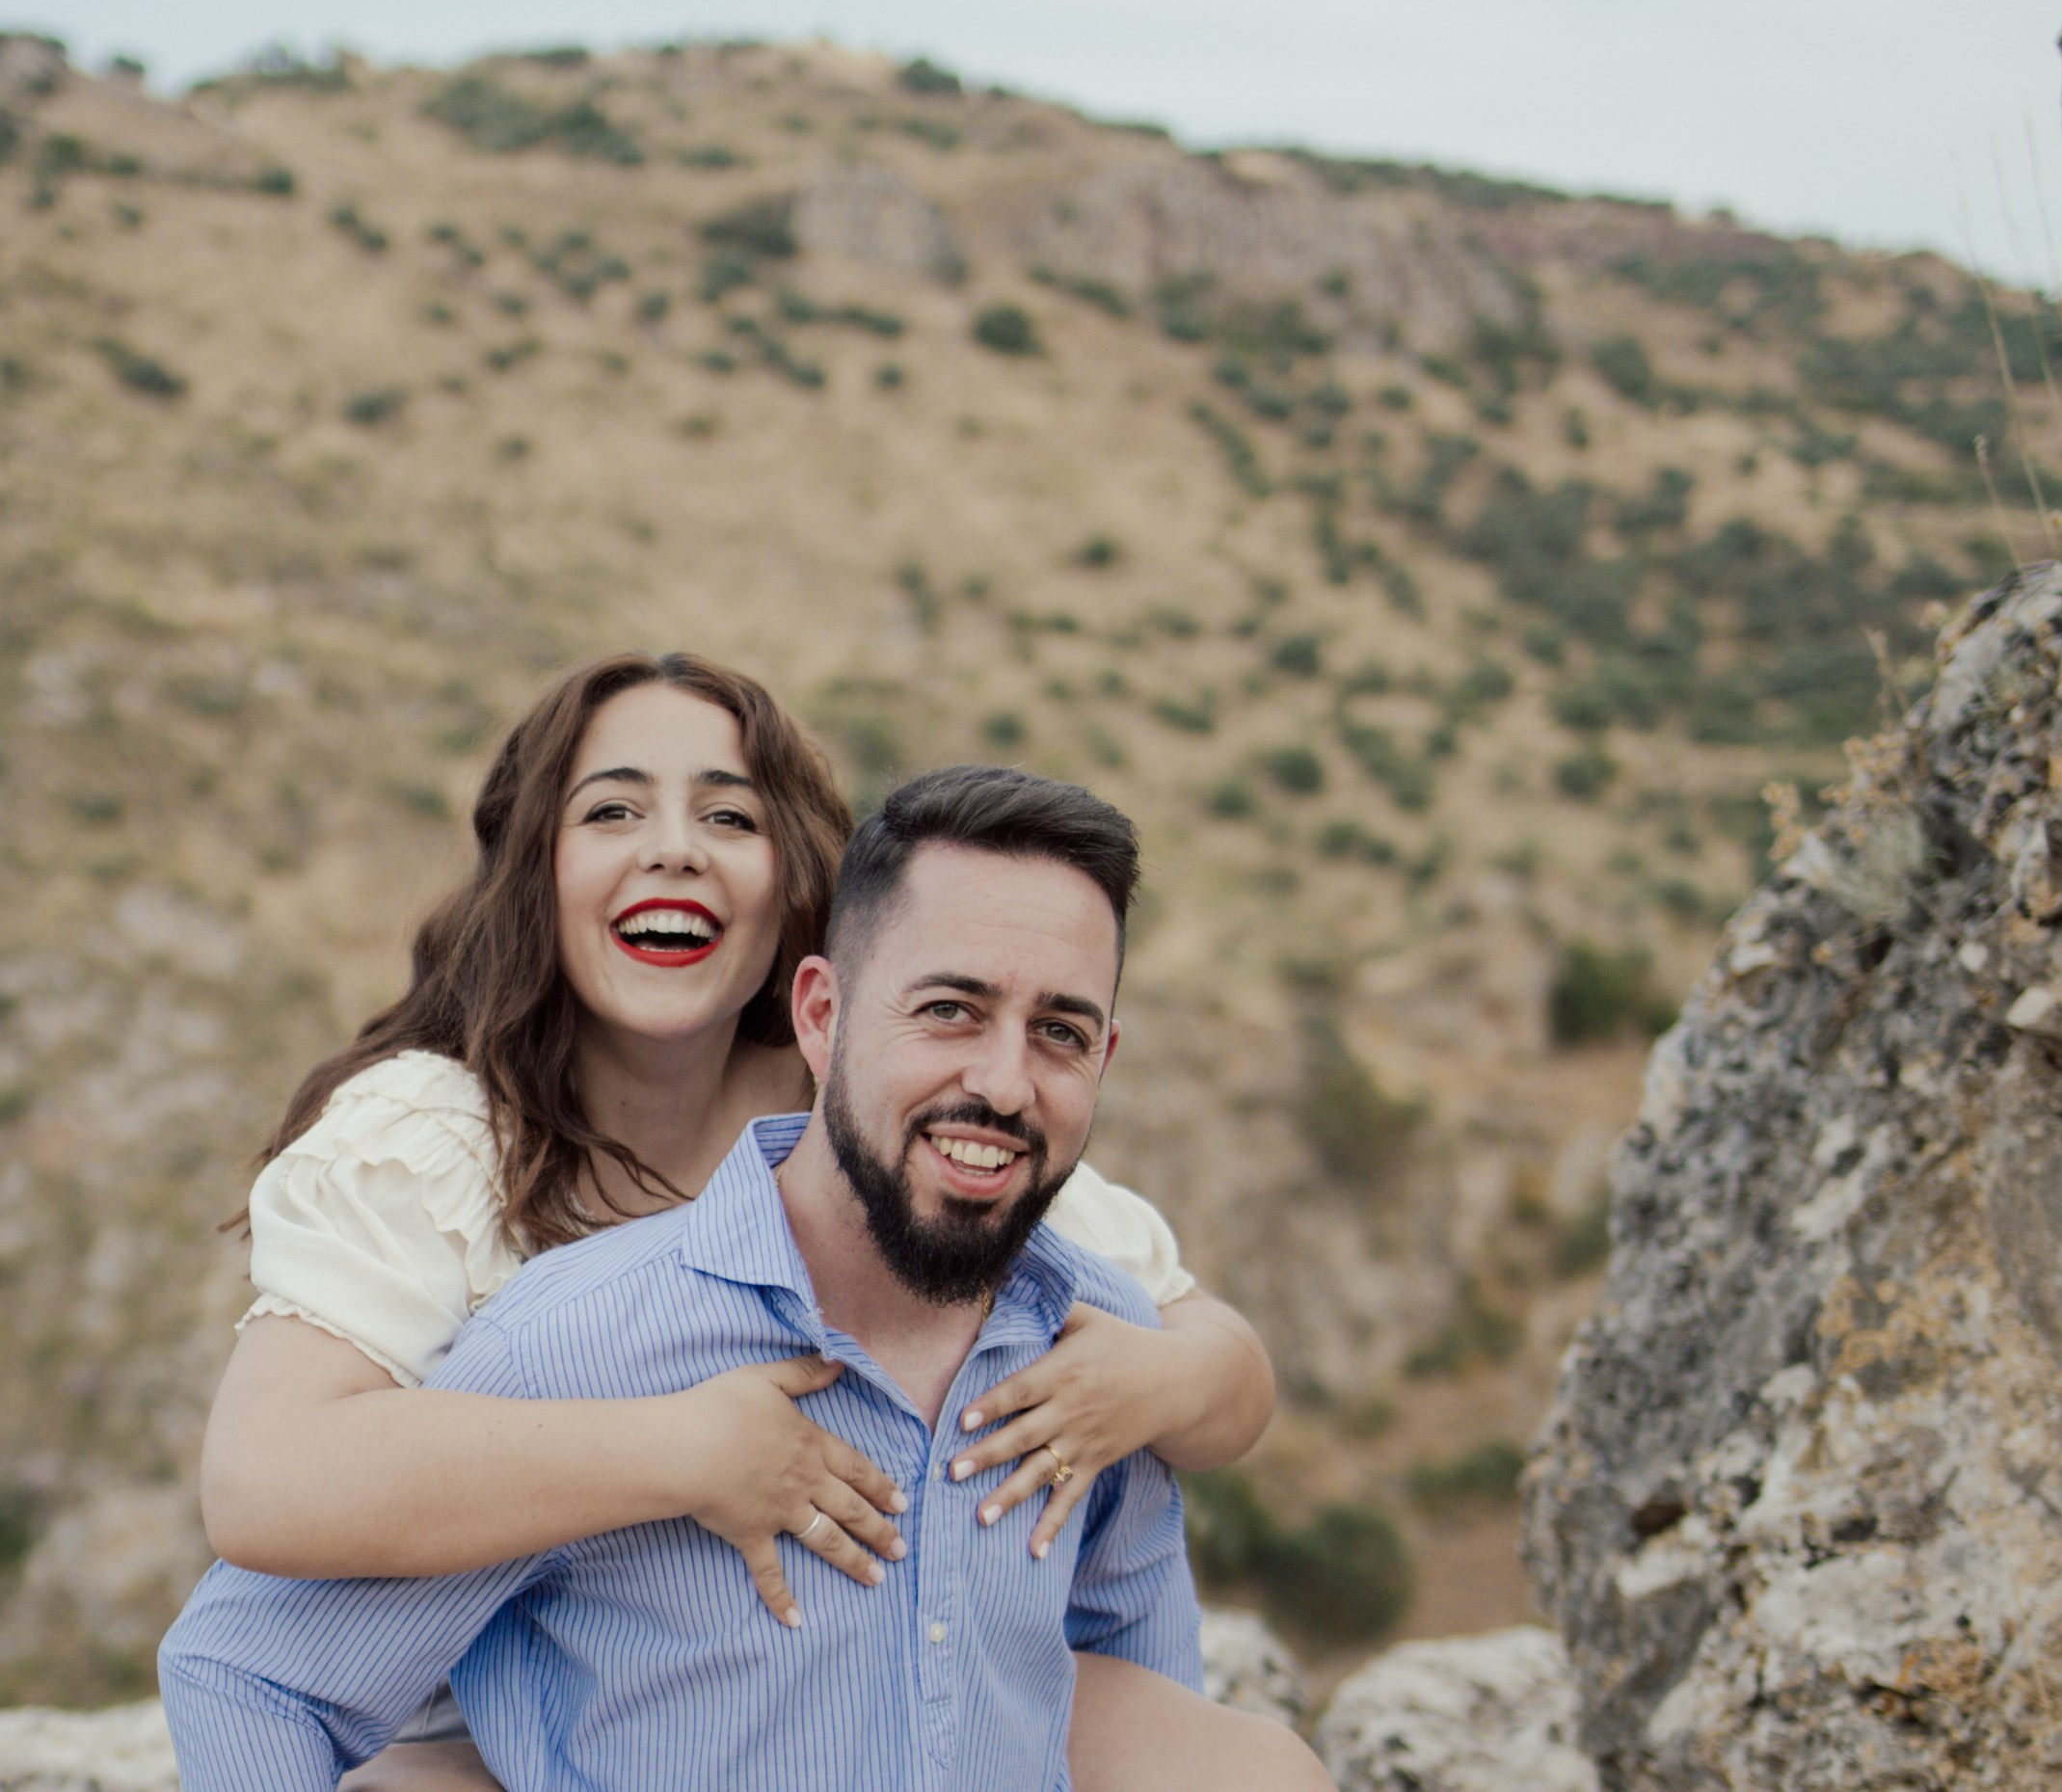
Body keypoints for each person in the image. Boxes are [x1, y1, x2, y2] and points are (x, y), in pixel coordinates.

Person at [178, 655, 1318, 1790]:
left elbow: (1200, 1353)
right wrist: (685, 1448)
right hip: (485, 1706)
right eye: (613, 808)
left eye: (729, 814)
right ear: (537, 868)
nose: (673, 847)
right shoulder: (444, 1147)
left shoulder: (901, 1123)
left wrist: (1157, 1381)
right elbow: (262, 1490)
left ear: (794, 903)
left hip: (836, 1677)